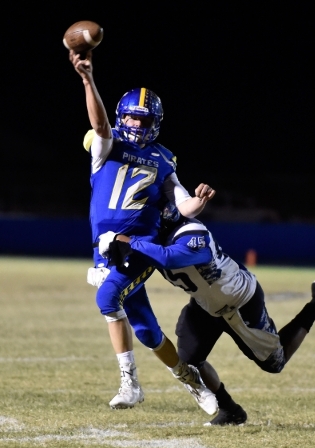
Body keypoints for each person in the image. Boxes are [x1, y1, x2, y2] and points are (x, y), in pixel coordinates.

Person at [101, 204, 315, 425]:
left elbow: (170, 258)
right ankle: (231, 410)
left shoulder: (193, 232)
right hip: (204, 305)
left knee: (274, 363)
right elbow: (131, 272)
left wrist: (130, 241)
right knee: (189, 361)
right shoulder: (152, 241)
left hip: (239, 303)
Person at [68, 49, 217, 415]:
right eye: (131, 118)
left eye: (142, 119)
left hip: (141, 245)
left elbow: (181, 203)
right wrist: (88, 80)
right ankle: (190, 380)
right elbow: (100, 126)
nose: (135, 125)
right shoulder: (106, 144)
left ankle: (130, 384)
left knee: (107, 299)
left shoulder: (164, 158)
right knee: (147, 329)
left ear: (155, 122)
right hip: (104, 247)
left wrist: (197, 205)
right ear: (122, 118)